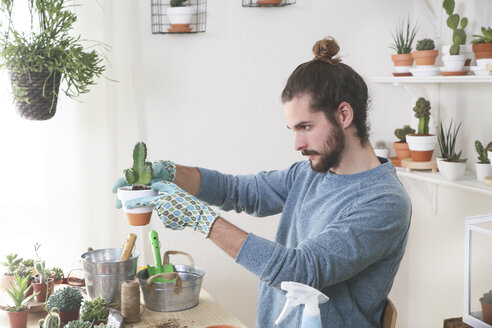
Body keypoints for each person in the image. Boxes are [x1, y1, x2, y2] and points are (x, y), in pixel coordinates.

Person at [113, 37, 412, 328]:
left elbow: (300, 272)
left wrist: (202, 220)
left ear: (344, 114)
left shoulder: (383, 201)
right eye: (292, 129)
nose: (297, 143)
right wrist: (169, 172)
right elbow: (239, 191)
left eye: (305, 126)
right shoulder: (309, 173)